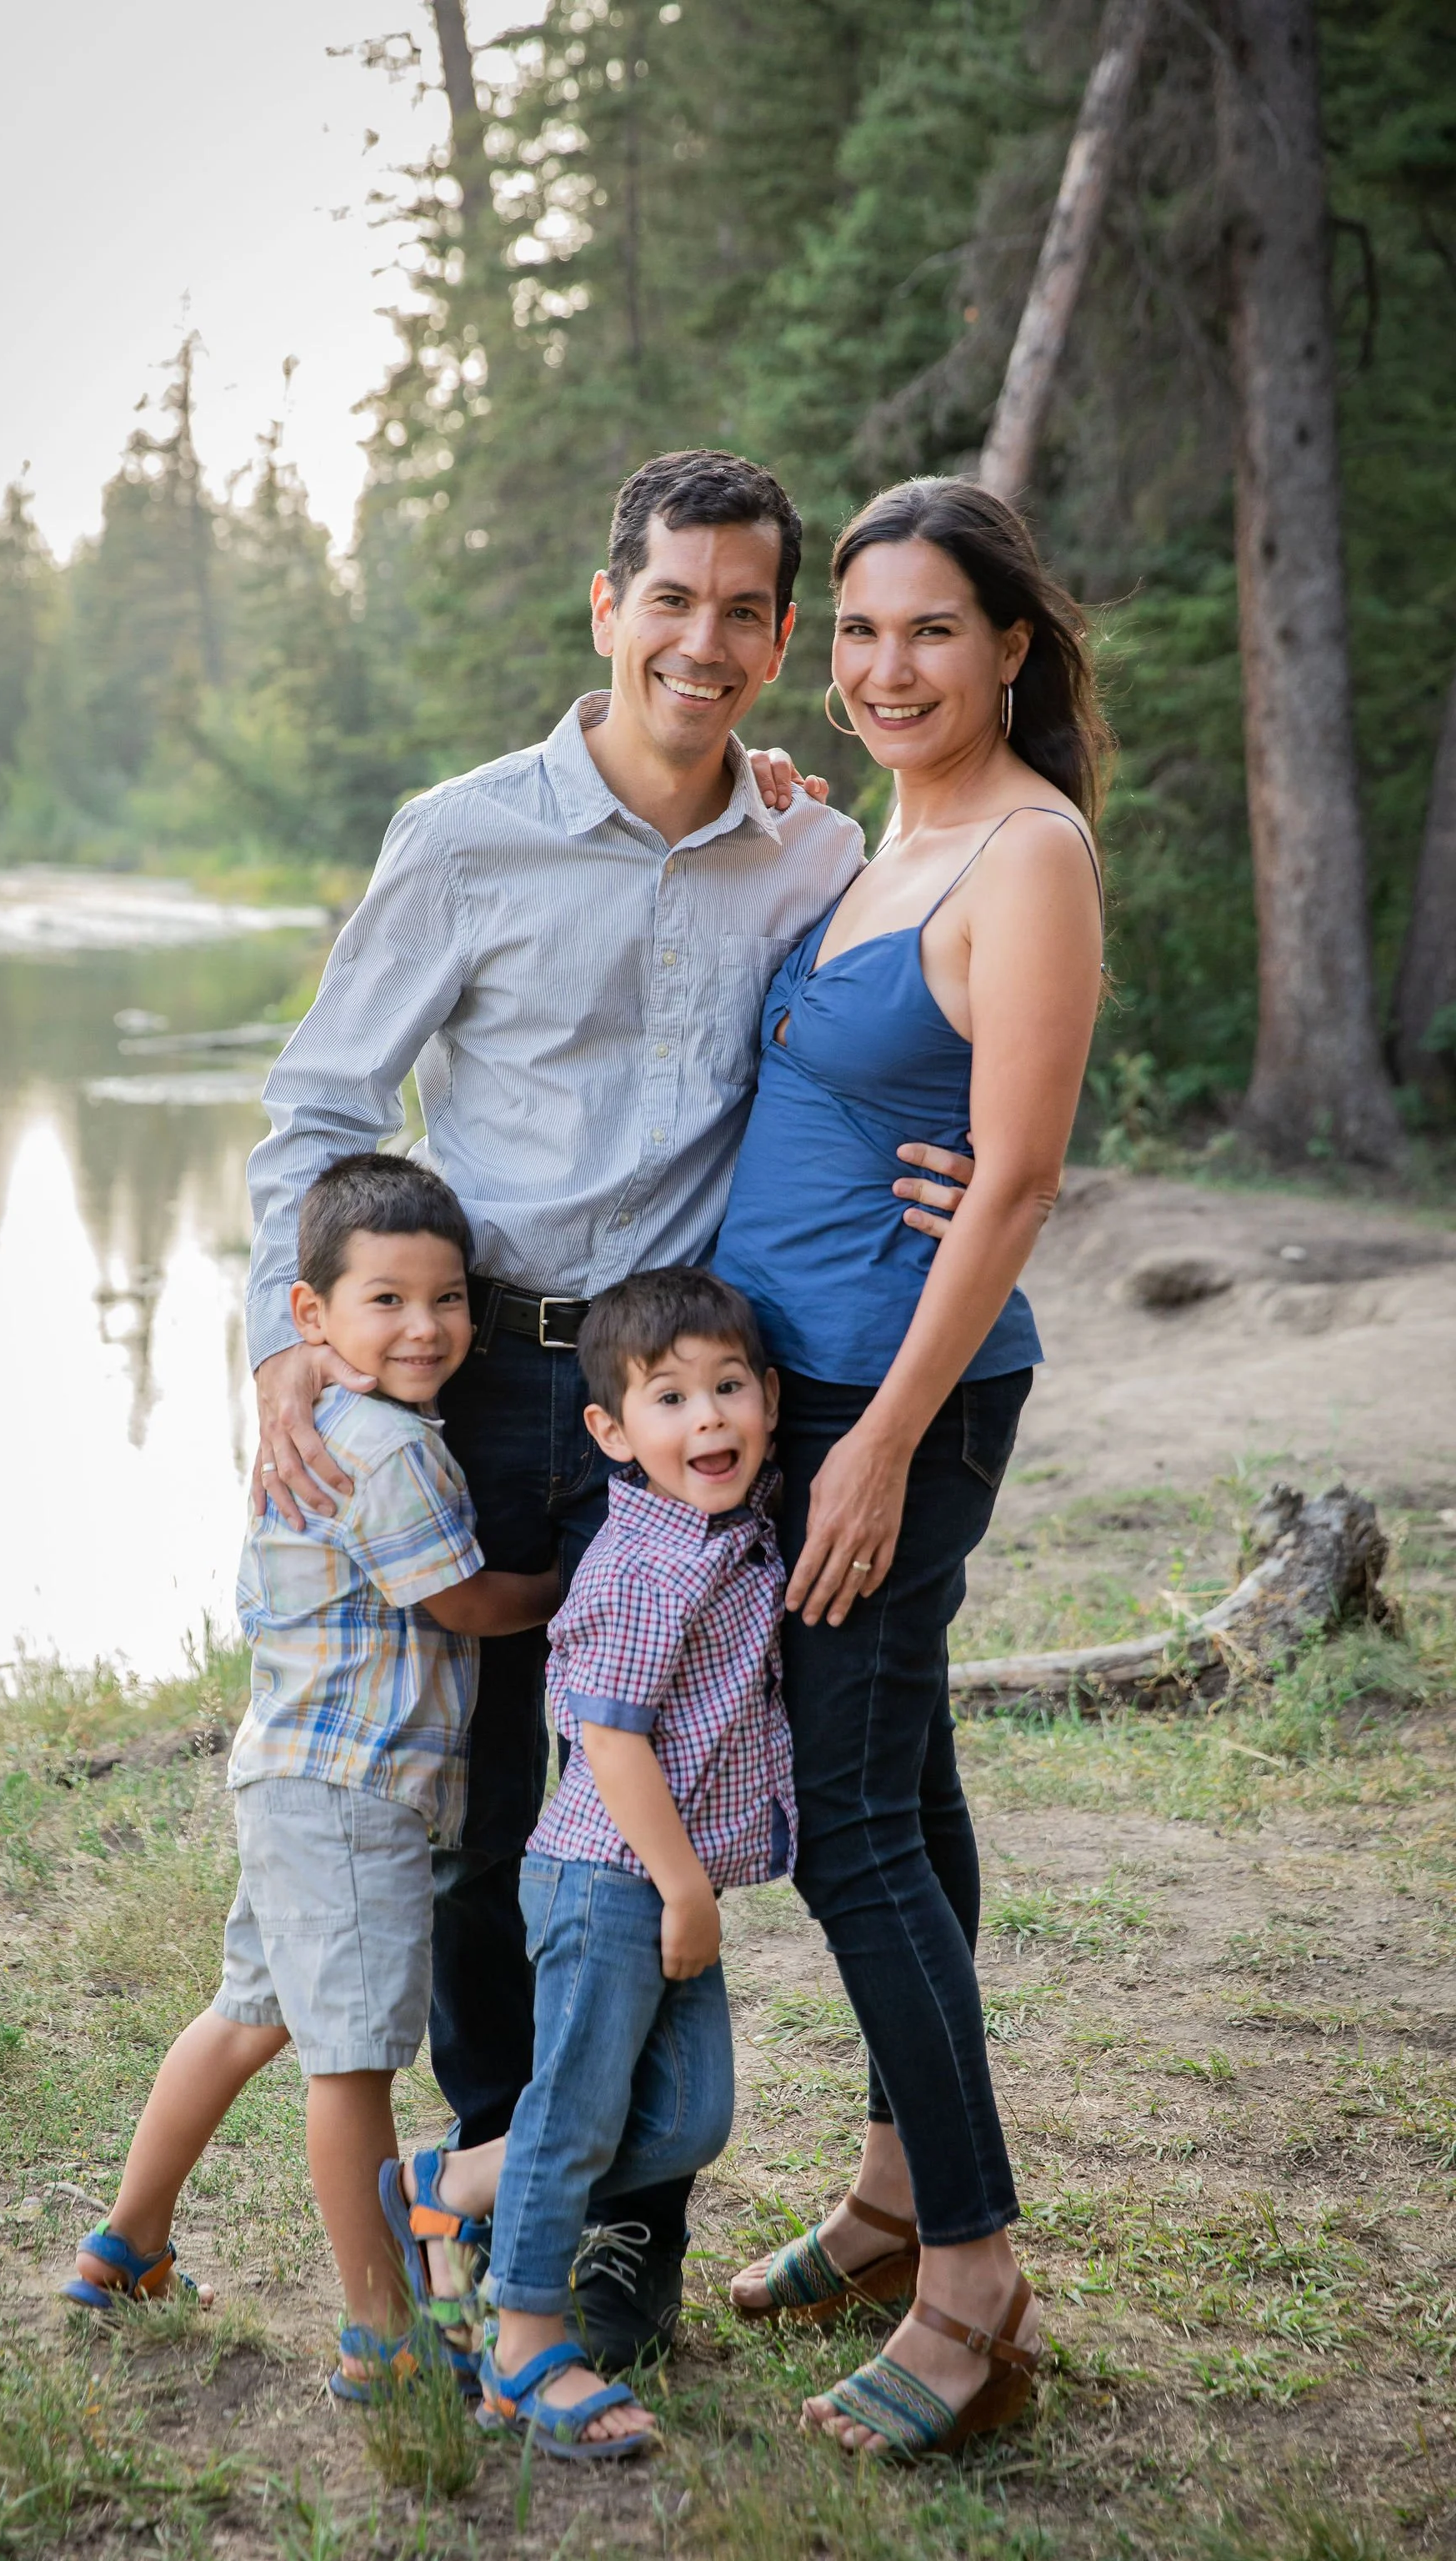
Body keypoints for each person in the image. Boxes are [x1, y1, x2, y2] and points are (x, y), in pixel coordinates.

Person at [243, 449, 901, 2368]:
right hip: (473, 1389)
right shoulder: (462, 834)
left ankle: (623, 2231)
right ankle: (492, 2167)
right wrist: (288, 1338)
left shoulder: (813, 849)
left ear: (781, 642)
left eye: (744, 611)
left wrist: (951, 1167)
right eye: (670, 599)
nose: (705, 639)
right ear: (606, 609)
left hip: (672, 1405)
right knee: (477, 1817)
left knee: (657, 1802)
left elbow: (882, 1048)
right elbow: (323, 1101)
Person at [713, 477, 1108, 2457]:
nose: (886, 668)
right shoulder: (893, 831)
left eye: (930, 631)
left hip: (896, 1403)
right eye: (857, 631)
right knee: (905, 1784)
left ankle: (971, 2280)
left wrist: (873, 1446)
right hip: (807, 1385)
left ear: (1012, 646)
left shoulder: (1025, 850)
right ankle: (885, 2199)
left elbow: (1017, 1172)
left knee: (848, 1824)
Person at [61, 1155, 559, 2398]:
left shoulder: (333, 1425)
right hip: (353, 1797)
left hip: (291, 1776)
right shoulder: (391, 1450)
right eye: (385, 1300)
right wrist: (574, 1586)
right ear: (310, 1315)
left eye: (446, 1300)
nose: (425, 1327)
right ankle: (383, 2337)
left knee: (248, 2019)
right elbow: (457, 1598)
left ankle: (124, 2247)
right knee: (351, 2064)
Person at [377, 1266, 792, 2457]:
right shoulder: (637, 1566)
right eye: (669, 1399)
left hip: (665, 1878)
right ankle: (526, 2348)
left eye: (727, 1389)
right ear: (609, 1431)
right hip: (616, 1878)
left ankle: (441, 2189)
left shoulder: (737, 1525)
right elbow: (603, 1738)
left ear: (768, 1398)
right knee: (571, 2117)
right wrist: (683, 1887)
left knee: (687, 2120)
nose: (706, 1419)